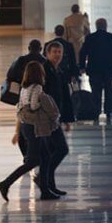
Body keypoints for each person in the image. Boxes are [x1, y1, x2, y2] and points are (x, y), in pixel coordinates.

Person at [0, 61, 60, 202]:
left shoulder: (24, 87)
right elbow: (34, 105)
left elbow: (22, 104)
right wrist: (43, 101)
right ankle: (5, 183)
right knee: (33, 161)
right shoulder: (37, 87)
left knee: (46, 156)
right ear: (40, 74)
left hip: (26, 125)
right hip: (34, 126)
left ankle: (45, 191)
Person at [42, 42, 73, 196]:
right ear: (47, 53)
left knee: (53, 151)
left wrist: (66, 119)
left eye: (60, 52)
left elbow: (64, 97)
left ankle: (49, 184)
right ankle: (44, 180)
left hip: (55, 118)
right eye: (54, 52)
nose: (57, 55)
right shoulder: (44, 70)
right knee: (61, 149)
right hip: (46, 120)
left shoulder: (59, 71)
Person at [7, 39, 46, 155]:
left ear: (28, 48)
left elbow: (10, 76)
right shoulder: (44, 61)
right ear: (40, 49)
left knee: (22, 120)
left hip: (22, 94)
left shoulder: (21, 60)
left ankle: (26, 154)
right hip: (38, 95)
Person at [79, 18, 112, 121]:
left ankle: (96, 111)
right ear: (105, 26)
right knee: (108, 90)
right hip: (108, 69)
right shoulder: (111, 37)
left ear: (96, 26)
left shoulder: (90, 38)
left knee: (95, 91)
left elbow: (83, 53)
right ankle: (108, 111)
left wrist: (82, 67)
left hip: (94, 70)